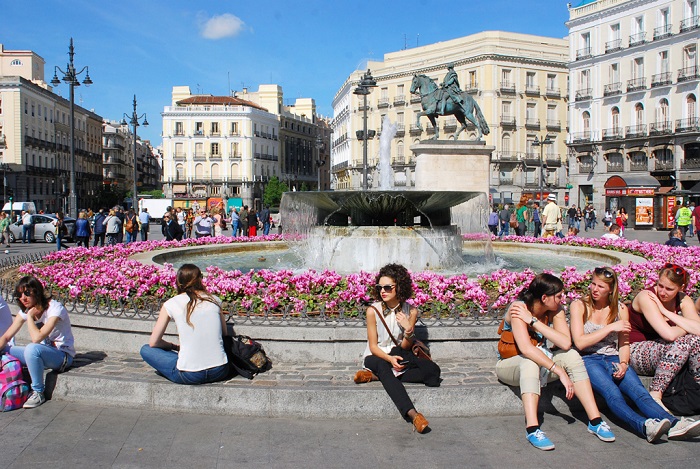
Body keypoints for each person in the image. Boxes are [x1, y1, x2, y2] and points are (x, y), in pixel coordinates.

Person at [570, 267, 700, 442]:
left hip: (613, 357)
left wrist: (624, 363)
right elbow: (580, 342)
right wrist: (610, 327)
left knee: (639, 392)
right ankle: (644, 425)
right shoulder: (579, 305)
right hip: (589, 359)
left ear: (611, 289)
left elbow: (624, 343)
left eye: (600, 286)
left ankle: (674, 423)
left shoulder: (620, 308)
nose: (594, 289)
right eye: (593, 284)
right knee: (612, 393)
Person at [495, 273, 615, 450]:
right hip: (510, 364)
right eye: (558, 296)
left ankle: (595, 421)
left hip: (541, 363)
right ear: (544, 297)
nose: (562, 299)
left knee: (572, 355)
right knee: (529, 361)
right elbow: (527, 349)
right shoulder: (519, 308)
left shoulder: (555, 309)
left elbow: (565, 343)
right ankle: (533, 428)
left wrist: (534, 321)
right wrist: (559, 371)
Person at [353, 263, 440, 433]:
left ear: (399, 287)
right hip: (376, 356)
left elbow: (406, 346)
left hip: (399, 356)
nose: (382, 291)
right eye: (380, 287)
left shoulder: (411, 311)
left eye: (387, 287)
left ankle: (375, 377)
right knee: (384, 367)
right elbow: (373, 346)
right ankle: (413, 414)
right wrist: (389, 359)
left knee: (433, 372)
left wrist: (408, 329)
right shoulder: (373, 311)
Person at [140, 264, 229, 385]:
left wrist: (174, 347)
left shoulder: (171, 304)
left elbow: (154, 342)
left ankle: (184, 360)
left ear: (178, 281)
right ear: (200, 279)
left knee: (146, 349)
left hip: (190, 374)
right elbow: (224, 334)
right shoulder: (214, 300)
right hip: (220, 370)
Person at [628, 263, 700, 409]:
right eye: (660, 285)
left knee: (696, 340)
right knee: (686, 341)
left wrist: (666, 312)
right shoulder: (647, 297)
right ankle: (656, 393)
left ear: (681, 288)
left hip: (667, 349)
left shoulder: (683, 299)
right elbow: (668, 334)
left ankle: (696, 385)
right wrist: (687, 326)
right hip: (635, 351)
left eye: (669, 289)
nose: (662, 292)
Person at [0, 276, 75, 408]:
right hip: (40, 354)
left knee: (32, 348)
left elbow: (37, 338)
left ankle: (38, 392)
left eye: (27, 293)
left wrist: (29, 316)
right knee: (5, 349)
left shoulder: (55, 308)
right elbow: (6, 337)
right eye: (20, 294)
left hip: (62, 356)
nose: (23, 298)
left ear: (37, 291)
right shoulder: (25, 310)